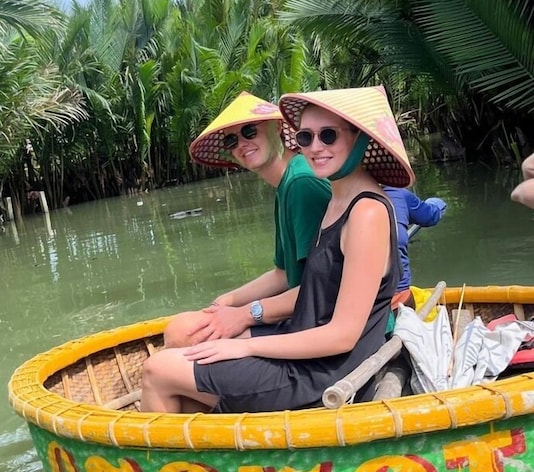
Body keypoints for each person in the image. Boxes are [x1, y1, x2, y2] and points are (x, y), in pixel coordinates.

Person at [141, 85, 411, 414]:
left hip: (325, 372)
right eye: (305, 137)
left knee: (157, 371)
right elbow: (306, 284)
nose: (315, 147)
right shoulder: (338, 200)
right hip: (308, 346)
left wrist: (245, 347)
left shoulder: (366, 212)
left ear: (359, 138)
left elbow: (343, 335)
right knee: (184, 367)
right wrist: (232, 313)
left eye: (328, 136)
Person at [163, 91, 331, 347]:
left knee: (182, 334)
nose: (242, 143)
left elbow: (322, 287)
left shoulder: (301, 183)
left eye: (250, 131)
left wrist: (245, 314)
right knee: (182, 329)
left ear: (277, 127)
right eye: (232, 140)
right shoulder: (288, 183)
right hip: (308, 313)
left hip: (322, 323)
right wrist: (224, 302)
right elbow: (283, 274)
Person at [382, 186, 447, 306]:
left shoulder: (348, 197)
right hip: (397, 298)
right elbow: (429, 216)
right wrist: (438, 204)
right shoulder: (397, 194)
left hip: (383, 298)